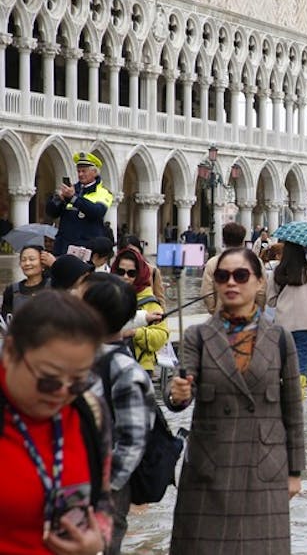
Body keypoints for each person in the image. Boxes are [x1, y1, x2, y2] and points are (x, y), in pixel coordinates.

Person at [166, 247, 305, 553]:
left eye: (241, 275)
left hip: (264, 468)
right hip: (209, 468)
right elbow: (179, 393)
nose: (231, 283)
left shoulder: (280, 338)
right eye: (222, 276)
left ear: (259, 283)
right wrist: (177, 395)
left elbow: (293, 410)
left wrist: (295, 472)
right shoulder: (197, 336)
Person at [0, 290, 113, 555]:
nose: (62, 393)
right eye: (49, 379)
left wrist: (97, 541)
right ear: (11, 352)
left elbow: (104, 501)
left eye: (77, 382)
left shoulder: (90, 412)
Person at [79, 273, 156, 555]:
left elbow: (134, 439)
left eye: (79, 301)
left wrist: (107, 486)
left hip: (104, 488)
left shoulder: (124, 370)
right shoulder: (73, 358)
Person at [267, 241, 307, 389]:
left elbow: (271, 301)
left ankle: (283, 391)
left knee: (284, 360)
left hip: (283, 323)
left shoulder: (277, 272)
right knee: (302, 358)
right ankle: (299, 396)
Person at [111, 247, 169, 376]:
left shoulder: (150, 302)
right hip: (110, 364)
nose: (125, 277)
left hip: (140, 367)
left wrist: (136, 333)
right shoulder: (107, 294)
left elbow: (161, 337)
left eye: (131, 273)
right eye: (120, 272)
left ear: (140, 274)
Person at [45, 152, 114, 255]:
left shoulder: (103, 193)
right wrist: (58, 199)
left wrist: (73, 199)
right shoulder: (72, 190)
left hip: (86, 248)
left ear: (95, 173)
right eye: (79, 171)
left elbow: (97, 212)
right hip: (64, 247)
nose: (80, 174)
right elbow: (51, 213)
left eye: (84, 171)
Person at [202, 223, 266, 315]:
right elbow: (261, 291)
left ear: (223, 240)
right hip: (249, 313)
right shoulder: (255, 262)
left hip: (222, 315)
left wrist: (214, 310)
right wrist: (259, 309)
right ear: (243, 240)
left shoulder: (213, 262)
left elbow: (207, 292)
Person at [2, 245, 50, 318]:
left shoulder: (53, 286)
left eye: (32, 259)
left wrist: (54, 263)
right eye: (23, 260)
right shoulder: (12, 290)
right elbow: (5, 320)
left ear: (43, 263)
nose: (27, 263)